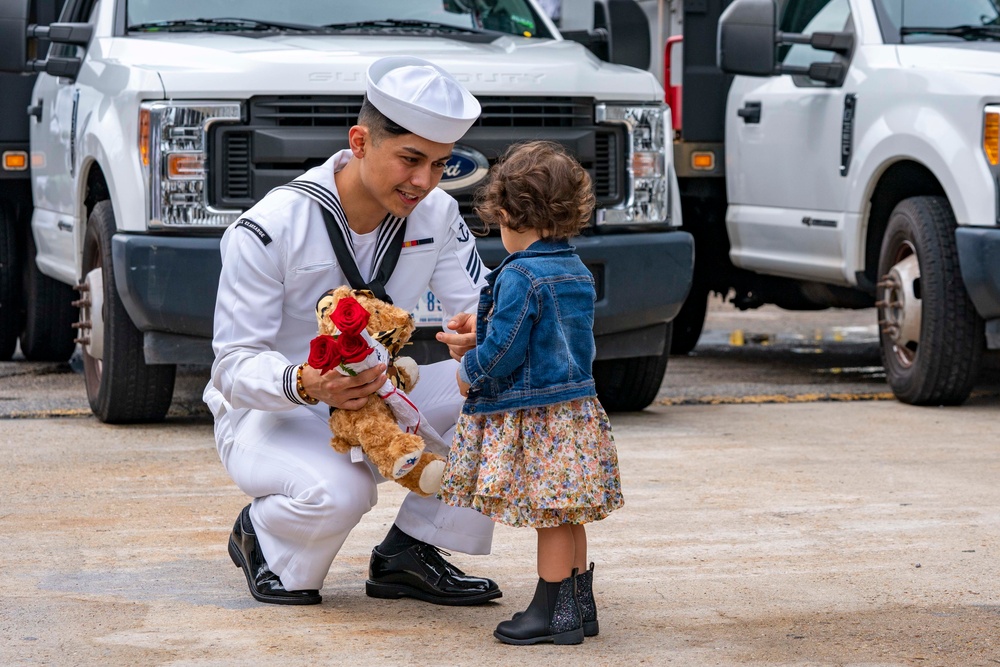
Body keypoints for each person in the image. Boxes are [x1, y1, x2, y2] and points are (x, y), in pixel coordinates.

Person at [204, 55, 503, 607]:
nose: (424, 182)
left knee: (500, 386)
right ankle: (265, 537)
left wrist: (478, 333)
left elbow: (483, 305)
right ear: (360, 141)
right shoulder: (271, 227)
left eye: (439, 165)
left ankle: (412, 551)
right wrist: (307, 382)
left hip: (381, 391)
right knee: (343, 493)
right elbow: (231, 367)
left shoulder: (435, 213)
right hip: (275, 408)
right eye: (411, 159)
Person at [437, 141, 624, 645]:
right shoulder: (576, 269)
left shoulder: (519, 273)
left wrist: (469, 367)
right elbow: (550, 336)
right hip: (575, 412)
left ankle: (549, 611)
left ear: (503, 211)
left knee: (549, 520)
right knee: (570, 514)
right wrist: (486, 332)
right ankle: (578, 610)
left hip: (537, 418)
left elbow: (505, 352)